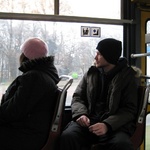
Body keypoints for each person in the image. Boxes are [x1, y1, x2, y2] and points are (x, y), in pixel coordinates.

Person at [59, 38, 139, 150]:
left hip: (114, 126)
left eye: (99, 54)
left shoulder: (127, 78)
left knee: (121, 144)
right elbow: (78, 97)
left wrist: (107, 125)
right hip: (89, 121)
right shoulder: (91, 73)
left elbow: (129, 109)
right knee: (68, 136)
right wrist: (81, 114)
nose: (95, 57)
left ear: (109, 56)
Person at [0, 37, 60, 150]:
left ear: (26, 56)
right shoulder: (45, 74)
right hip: (32, 130)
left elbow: (13, 111)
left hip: (26, 135)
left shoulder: (34, 78)